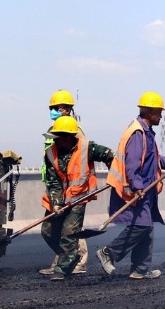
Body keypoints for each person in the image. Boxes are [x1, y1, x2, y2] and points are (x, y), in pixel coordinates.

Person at [96, 91, 165, 279]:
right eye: (159, 112)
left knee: (147, 227)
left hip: (147, 189)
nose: (161, 116)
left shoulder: (146, 133)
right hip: (138, 189)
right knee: (141, 226)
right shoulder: (137, 133)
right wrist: (137, 186)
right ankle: (108, 253)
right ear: (150, 112)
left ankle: (140, 269)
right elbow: (132, 164)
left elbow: (152, 158)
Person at [40, 116, 114, 281]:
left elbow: (109, 155)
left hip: (78, 198)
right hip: (58, 199)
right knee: (47, 231)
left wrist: (115, 176)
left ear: (69, 137)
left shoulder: (87, 148)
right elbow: (53, 182)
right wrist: (57, 203)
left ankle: (63, 267)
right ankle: (69, 255)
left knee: (69, 234)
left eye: (60, 137)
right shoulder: (50, 154)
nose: (57, 141)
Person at [39, 89, 90, 276]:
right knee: (52, 229)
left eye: (57, 107)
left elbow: (80, 160)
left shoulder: (74, 131)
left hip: (72, 188)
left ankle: (79, 262)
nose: (53, 110)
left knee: (72, 230)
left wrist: (74, 189)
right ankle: (63, 260)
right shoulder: (53, 130)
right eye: (51, 107)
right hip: (56, 187)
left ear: (67, 109)